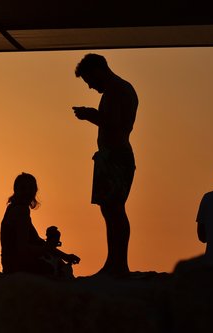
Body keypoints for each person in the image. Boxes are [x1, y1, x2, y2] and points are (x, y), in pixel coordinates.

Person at [72, 53, 138, 277]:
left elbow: (116, 125)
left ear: (98, 71)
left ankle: (118, 265)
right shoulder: (116, 90)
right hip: (110, 157)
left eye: (90, 80)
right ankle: (114, 263)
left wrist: (92, 116)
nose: (90, 87)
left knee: (115, 210)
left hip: (116, 158)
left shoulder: (119, 90)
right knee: (110, 210)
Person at [0, 173, 80, 277]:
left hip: (11, 264)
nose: (27, 192)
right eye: (23, 188)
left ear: (35, 191)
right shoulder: (21, 211)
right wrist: (48, 247)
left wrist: (64, 255)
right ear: (16, 190)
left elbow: (38, 242)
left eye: (31, 188)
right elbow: (22, 249)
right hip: (17, 266)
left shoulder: (13, 208)